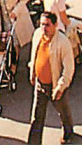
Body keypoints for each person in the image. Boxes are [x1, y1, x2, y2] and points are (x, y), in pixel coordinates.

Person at [28, 11, 75, 144]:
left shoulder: (63, 42)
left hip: (55, 86)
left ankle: (68, 133)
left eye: (47, 25)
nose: (44, 28)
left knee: (63, 111)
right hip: (40, 84)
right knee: (37, 117)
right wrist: (32, 72)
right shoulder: (37, 34)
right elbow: (34, 55)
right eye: (42, 24)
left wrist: (60, 87)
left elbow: (69, 68)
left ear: (55, 25)